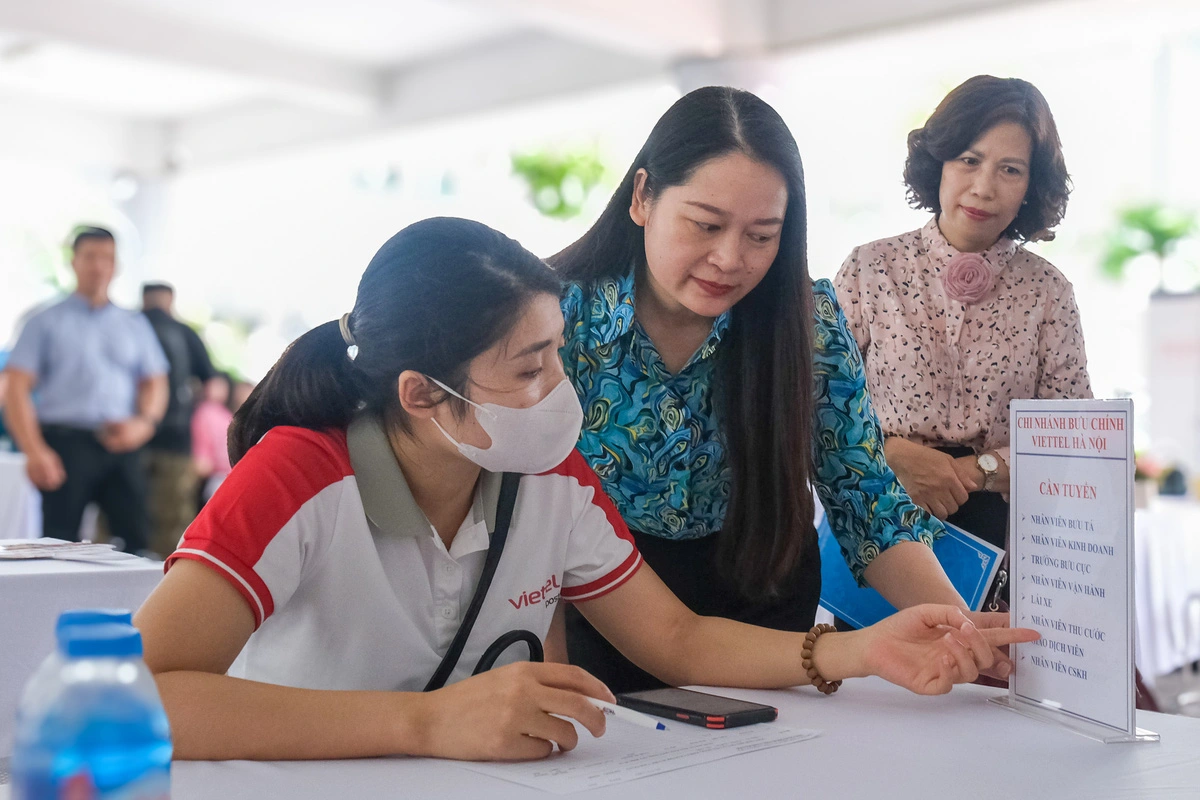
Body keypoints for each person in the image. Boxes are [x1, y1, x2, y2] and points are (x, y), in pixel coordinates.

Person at [133, 217, 1035, 762]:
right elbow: (141, 695)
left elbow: (675, 639)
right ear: (420, 394)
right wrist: (426, 725)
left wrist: (862, 651)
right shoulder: (297, 473)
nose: (559, 390)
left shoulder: (545, 475)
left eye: (557, 352)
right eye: (529, 367)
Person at [550, 86, 1013, 692]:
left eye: (762, 236)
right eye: (705, 225)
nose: (729, 258)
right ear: (643, 197)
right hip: (610, 611)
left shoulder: (808, 321)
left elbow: (866, 499)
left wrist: (961, 630)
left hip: (768, 610)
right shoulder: (558, 319)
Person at [833, 76, 1091, 552]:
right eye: (969, 160)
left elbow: (1073, 437)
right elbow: (809, 405)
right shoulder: (869, 269)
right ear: (940, 164)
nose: (983, 187)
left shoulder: (1048, 292)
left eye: (1010, 170)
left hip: (1005, 532)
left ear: (1032, 186)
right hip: (879, 512)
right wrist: (888, 453)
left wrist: (976, 472)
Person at [3, 226, 168, 551]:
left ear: (116, 265)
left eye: (106, 257)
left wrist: (144, 424)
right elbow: (15, 388)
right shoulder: (44, 321)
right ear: (74, 262)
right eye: (90, 256)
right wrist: (35, 451)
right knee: (57, 545)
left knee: (136, 543)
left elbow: (155, 381)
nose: (98, 266)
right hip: (65, 446)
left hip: (123, 444)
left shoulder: (134, 324)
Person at [142, 282, 217, 556]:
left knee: (120, 514)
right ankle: (165, 579)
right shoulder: (185, 332)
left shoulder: (129, 327)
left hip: (127, 438)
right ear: (170, 300)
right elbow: (212, 385)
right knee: (173, 517)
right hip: (176, 438)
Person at [190, 371, 234, 505]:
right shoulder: (207, 411)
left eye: (221, 386)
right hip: (214, 474)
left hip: (217, 475)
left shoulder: (223, 414)